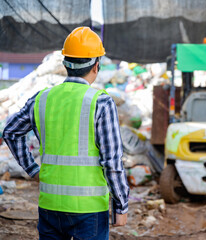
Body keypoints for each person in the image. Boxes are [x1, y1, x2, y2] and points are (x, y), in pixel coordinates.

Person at [3, 27, 129, 239]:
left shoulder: (41, 99)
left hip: (50, 205)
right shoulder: (101, 102)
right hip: (89, 210)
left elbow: (11, 132)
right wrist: (121, 205)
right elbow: (112, 162)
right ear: (96, 66)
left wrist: (33, 170)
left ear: (65, 64)